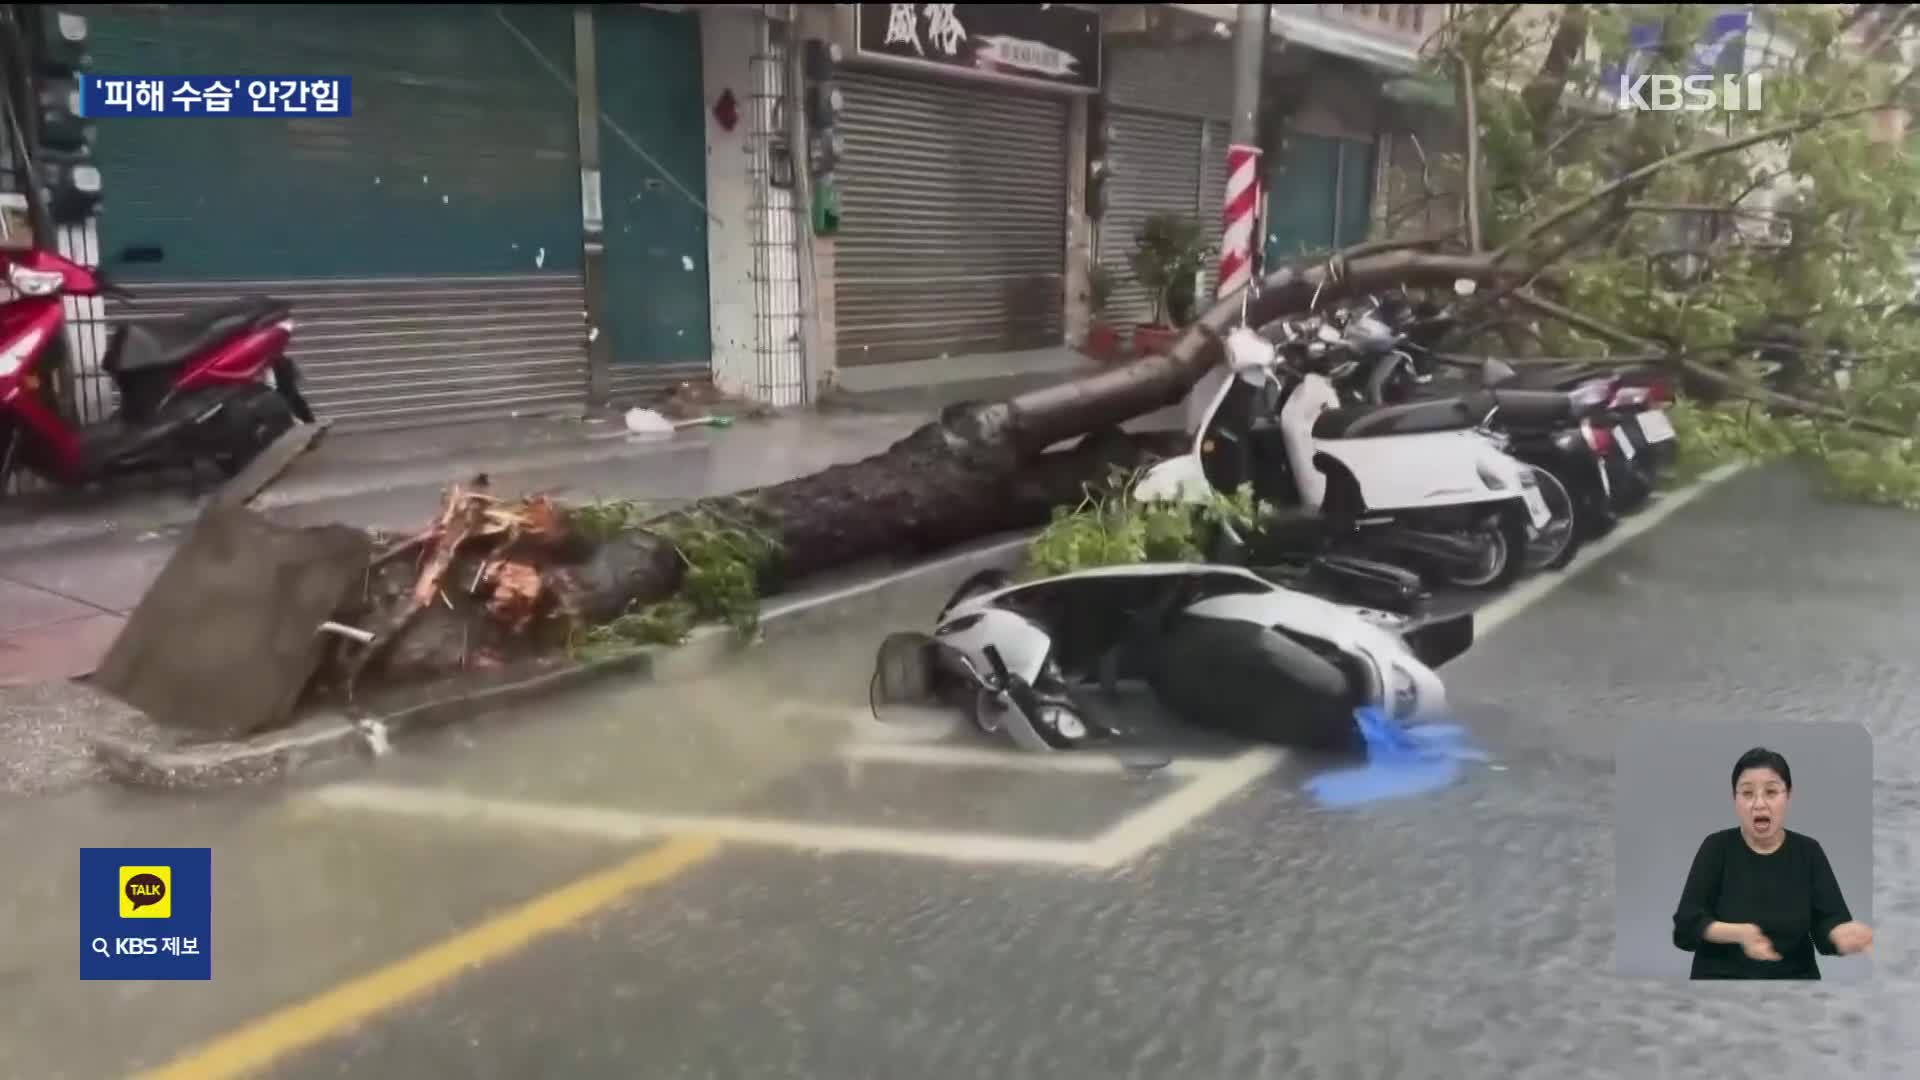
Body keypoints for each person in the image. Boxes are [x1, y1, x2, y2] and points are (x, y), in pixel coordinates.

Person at [1670, 747, 1874, 979]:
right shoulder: (1716, 847)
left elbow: (1828, 922)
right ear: (1734, 798)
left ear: (1788, 794)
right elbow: (1686, 925)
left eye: (1771, 792)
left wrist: (1841, 934)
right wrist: (1739, 933)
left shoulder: (1808, 851)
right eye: (1747, 793)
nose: (1759, 803)